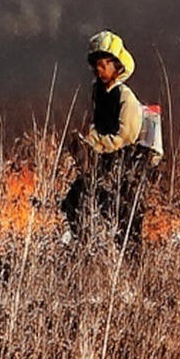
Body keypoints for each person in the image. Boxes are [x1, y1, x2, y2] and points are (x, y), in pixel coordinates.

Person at [60, 30, 148, 249]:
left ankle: (130, 262)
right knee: (73, 203)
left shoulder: (126, 97)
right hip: (100, 163)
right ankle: (84, 249)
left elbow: (125, 136)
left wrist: (96, 144)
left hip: (121, 166)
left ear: (117, 66)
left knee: (122, 217)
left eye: (104, 65)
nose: (99, 70)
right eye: (96, 65)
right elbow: (95, 123)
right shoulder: (98, 92)